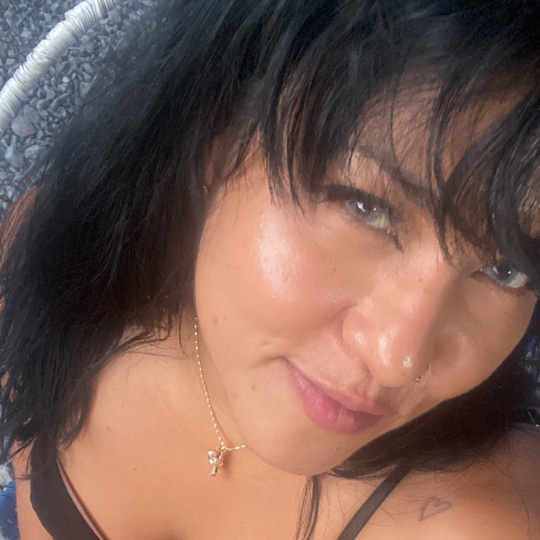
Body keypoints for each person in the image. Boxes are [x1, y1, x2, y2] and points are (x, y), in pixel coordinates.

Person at [0, 0, 539, 538]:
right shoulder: (56, 265)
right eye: (365, 207)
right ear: (216, 140)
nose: (398, 360)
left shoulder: (482, 522)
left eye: (507, 270)